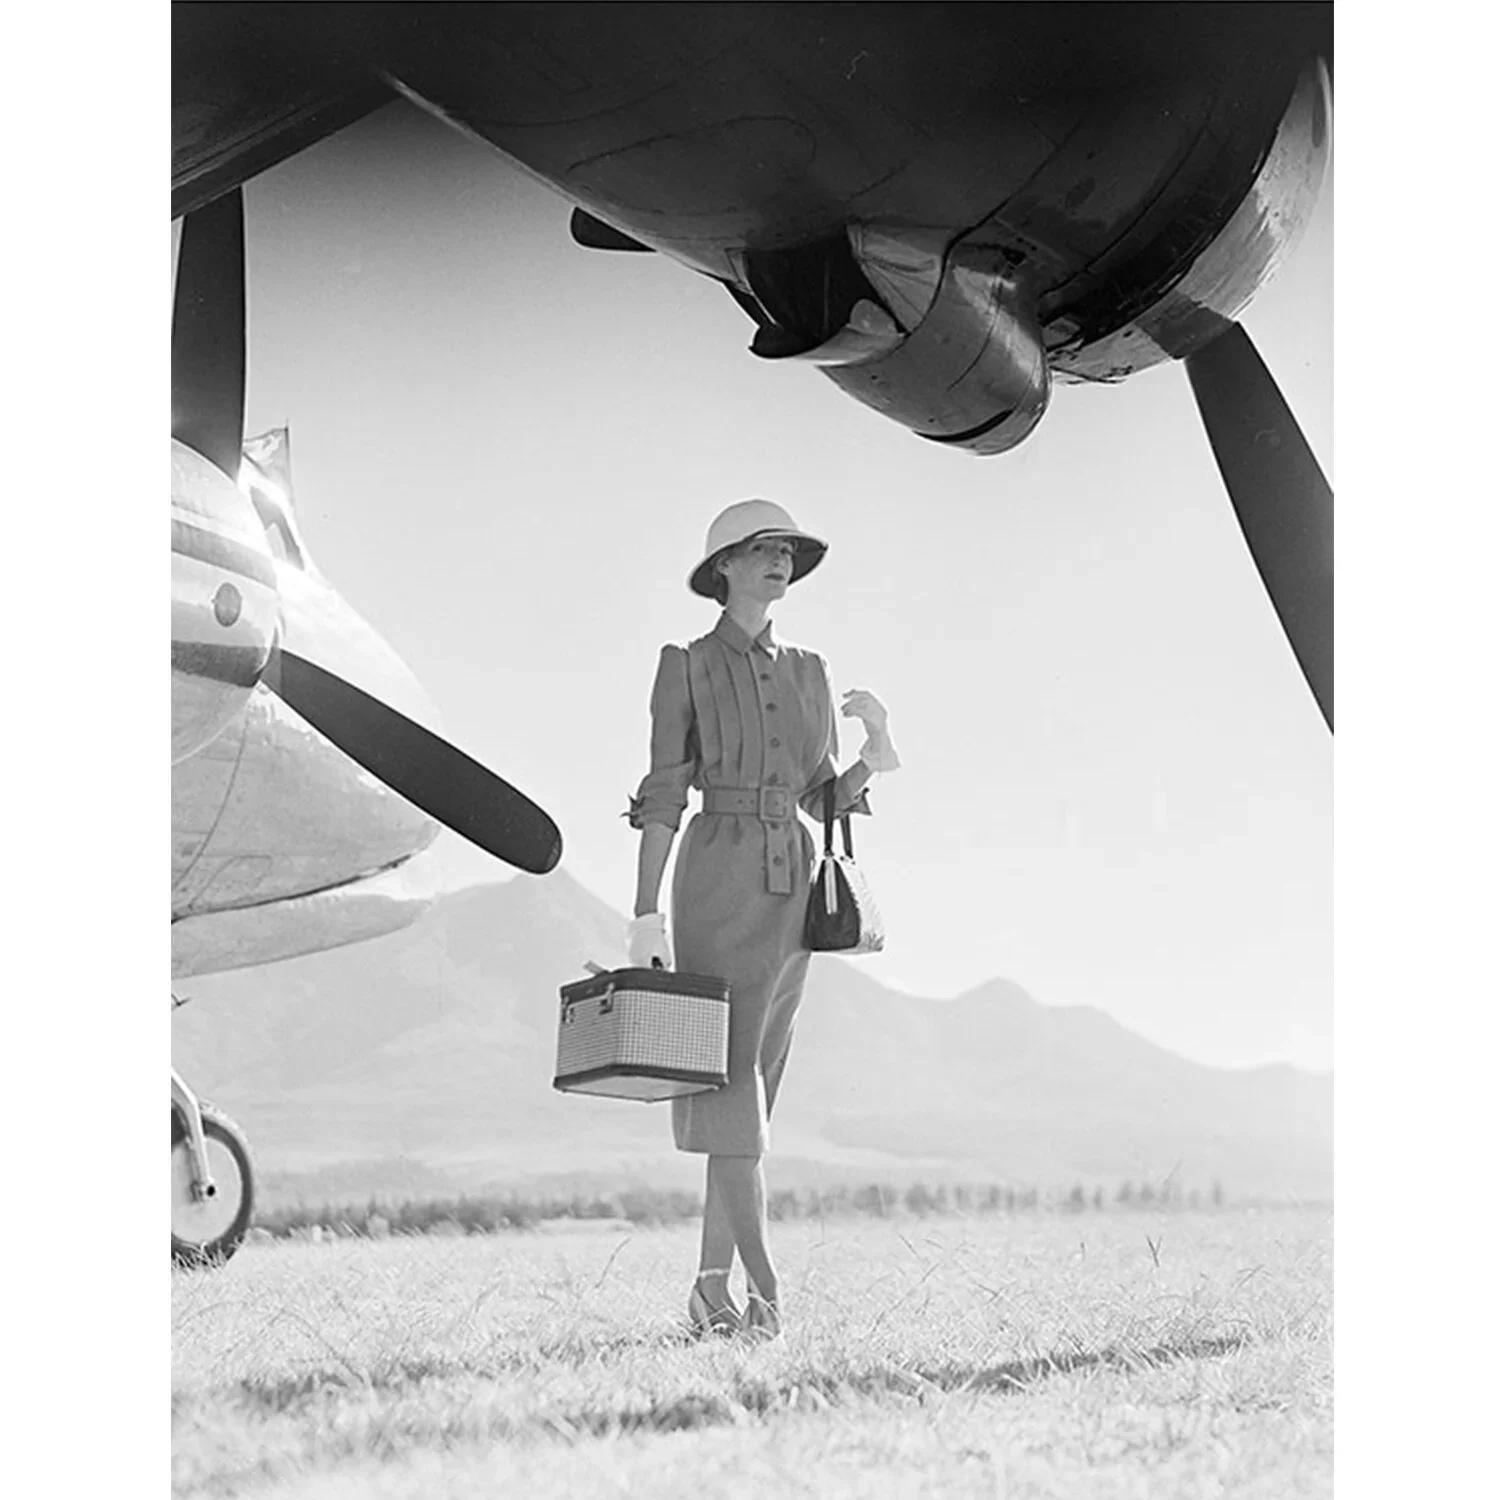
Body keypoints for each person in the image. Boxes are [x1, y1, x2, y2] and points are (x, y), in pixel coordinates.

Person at [625, 498, 900, 1338]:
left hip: (794, 889)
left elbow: (820, 792)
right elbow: (665, 793)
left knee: (748, 1099)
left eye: (786, 549)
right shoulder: (685, 663)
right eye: (760, 549)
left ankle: (712, 1291)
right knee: (733, 1092)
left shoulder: (811, 670)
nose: (778, 560)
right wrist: (644, 913)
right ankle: (766, 1293)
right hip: (717, 881)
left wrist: (873, 756)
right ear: (725, 570)